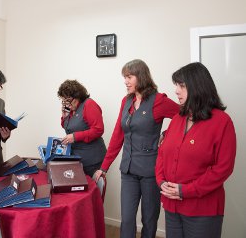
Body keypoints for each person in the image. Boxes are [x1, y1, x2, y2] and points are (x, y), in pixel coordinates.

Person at [94, 59, 179, 238]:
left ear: (141, 77)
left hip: (151, 172)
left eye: (129, 77)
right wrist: (104, 167)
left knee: (149, 219)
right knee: (127, 219)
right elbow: (118, 135)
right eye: (125, 77)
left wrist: (167, 133)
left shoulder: (159, 101)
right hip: (128, 170)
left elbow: (183, 115)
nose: (126, 81)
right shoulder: (126, 101)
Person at [155, 62, 236, 238]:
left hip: (202, 210)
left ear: (198, 87)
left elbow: (223, 168)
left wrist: (186, 190)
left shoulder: (222, 122)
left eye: (182, 86)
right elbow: (162, 154)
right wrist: (161, 182)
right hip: (172, 206)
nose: (176, 91)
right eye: (176, 85)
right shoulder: (177, 118)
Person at [58, 79, 107, 177]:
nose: (66, 104)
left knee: (89, 189)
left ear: (77, 97)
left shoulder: (89, 104)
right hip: (78, 158)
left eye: (68, 100)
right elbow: (68, 128)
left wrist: (75, 137)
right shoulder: (71, 109)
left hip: (92, 159)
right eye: (63, 101)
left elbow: (98, 130)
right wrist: (64, 117)